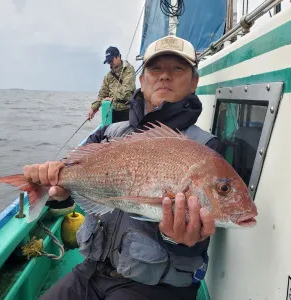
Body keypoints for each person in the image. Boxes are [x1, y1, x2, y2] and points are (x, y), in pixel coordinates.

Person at [25, 35, 221, 300]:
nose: (165, 76)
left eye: (177, 69)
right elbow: (77, 182)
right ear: (142, 80)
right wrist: (59, 192)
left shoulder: (206, 148)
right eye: (155, 69)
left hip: (155, 287)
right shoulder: (109, 133)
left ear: (194, 82)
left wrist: (177, 238)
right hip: (92, 271)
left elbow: (201, 236)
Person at [88, 46, 136, 123]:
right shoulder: (108, 76)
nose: (110, 63)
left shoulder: (129, 70)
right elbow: (102, 94)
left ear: (118, 56)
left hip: (128, 110)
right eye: (108, 61)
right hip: (112, 111)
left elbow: (126, 89)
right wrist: (93, 108)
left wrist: (113, 98)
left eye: (111, 60)